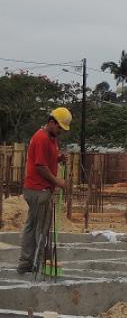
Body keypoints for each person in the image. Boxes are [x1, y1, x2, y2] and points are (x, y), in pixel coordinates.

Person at [18, 108, 71, 274]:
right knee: (40, 229)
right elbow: (40, 167)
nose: (61, 131)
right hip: (38, 189)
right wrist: (58, 182)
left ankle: (27, 263)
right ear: (51, 122)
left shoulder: (51, 138)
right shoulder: (41, 138)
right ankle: (37, 264)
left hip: (39, 189)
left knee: (33, 226)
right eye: (59, 127)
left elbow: (47, 159)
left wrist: (58, 159)